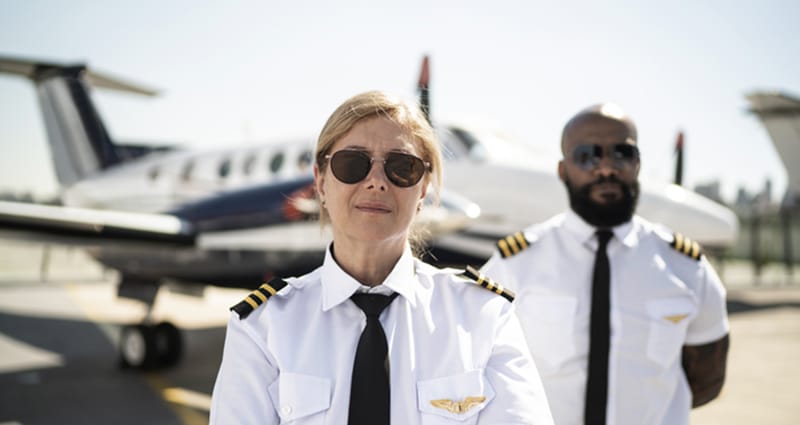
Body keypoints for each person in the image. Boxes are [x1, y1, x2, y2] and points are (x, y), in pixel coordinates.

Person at [210, 90, 554, 424]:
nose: (376, 182)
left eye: (402, 167)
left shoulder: (485, 316)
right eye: (352, 164)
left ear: (423, 189)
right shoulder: (261, 326)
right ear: (320, 181)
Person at [481, 103, 730, 425]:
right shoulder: (513, 264)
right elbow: (479, 368)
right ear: (563, 170)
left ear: (637, 164)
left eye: (622, 154)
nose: (607, 168)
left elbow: (707, 379)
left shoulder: (686, 267)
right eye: (587, 155)